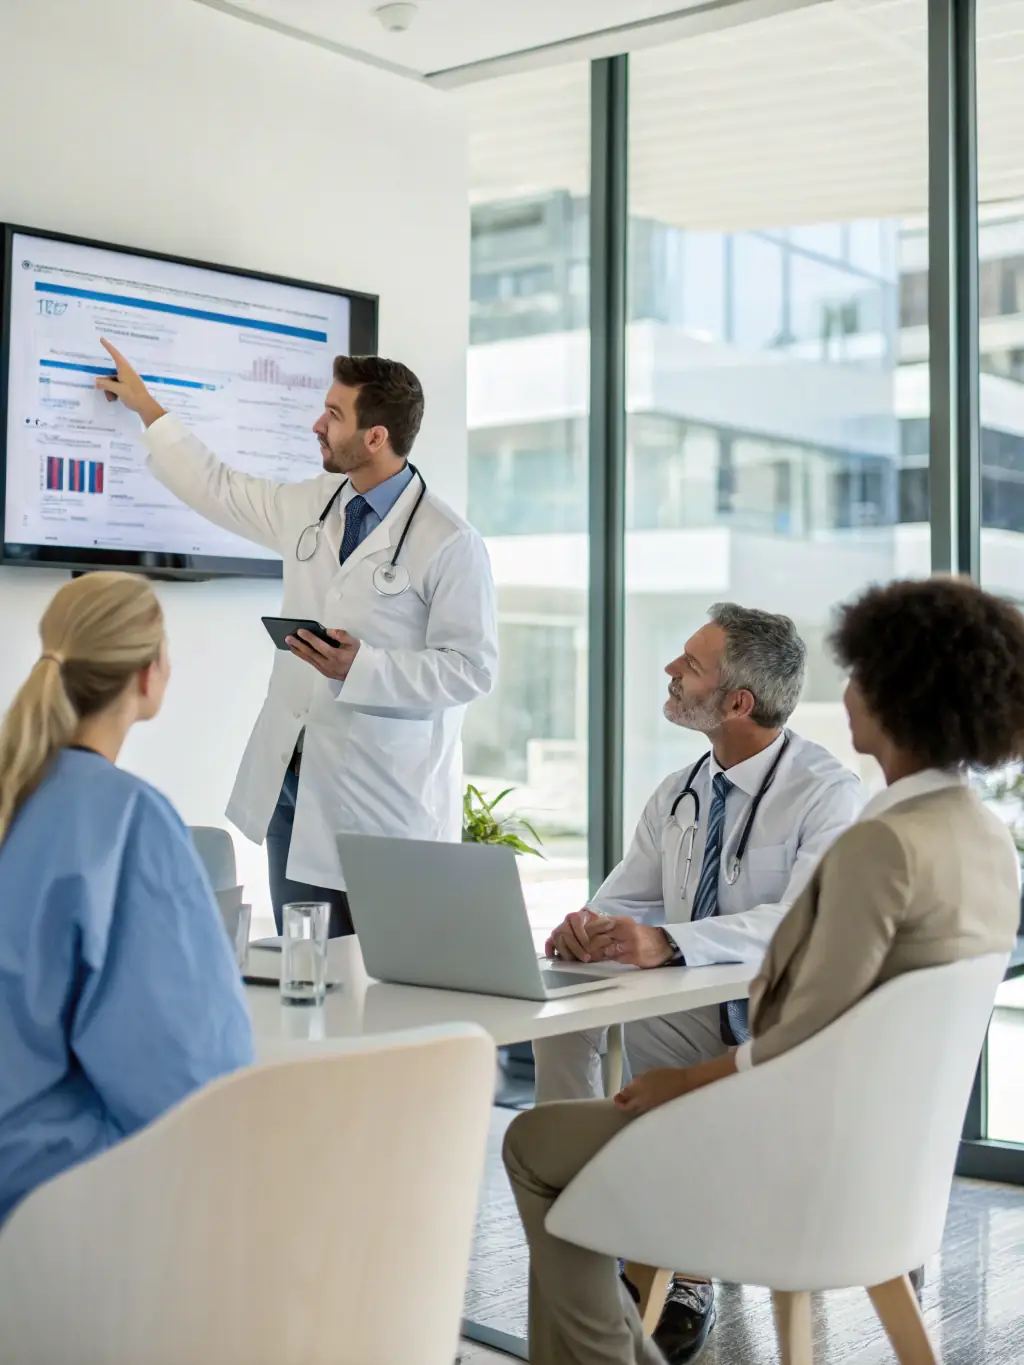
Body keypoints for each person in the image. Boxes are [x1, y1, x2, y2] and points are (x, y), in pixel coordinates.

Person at [503, 575, 1024, 1365]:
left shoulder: (876, 841)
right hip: (887, 1165)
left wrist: (680, 1084)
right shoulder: (981, 834)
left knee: (533, 1141)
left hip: (789, 1154)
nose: (842, 690)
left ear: (896, 694)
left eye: (859, 672)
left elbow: (797, 1035)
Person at [535, 603, 864, 1362]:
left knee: (662, 1042)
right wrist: (590, 927)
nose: (670, 672)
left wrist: (667, 941)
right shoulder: (680, 790)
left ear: (738, 701)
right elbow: (626, 898)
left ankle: (684, 1271)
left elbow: (798, 925)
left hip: (771, 1024)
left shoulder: (825, 792)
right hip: (686, 1010)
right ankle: (595, 1215)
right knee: (566, 1017)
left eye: (689, 664)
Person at [96, 342, 498, 937]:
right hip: (293, 782)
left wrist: (362, 667)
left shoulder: (449, 541)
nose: (318, 424)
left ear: (375, 438)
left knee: (376, 983)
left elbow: (471, 669)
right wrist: (148, 409)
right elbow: (220, 488)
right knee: (302, 969)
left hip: (381, 800)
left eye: (334, 414)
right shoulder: (313, 504)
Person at [0, 573, 253, 1223]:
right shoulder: (126, 820)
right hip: (48, 1201)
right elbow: (190, 1078)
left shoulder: (17, 795)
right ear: (150, 673)